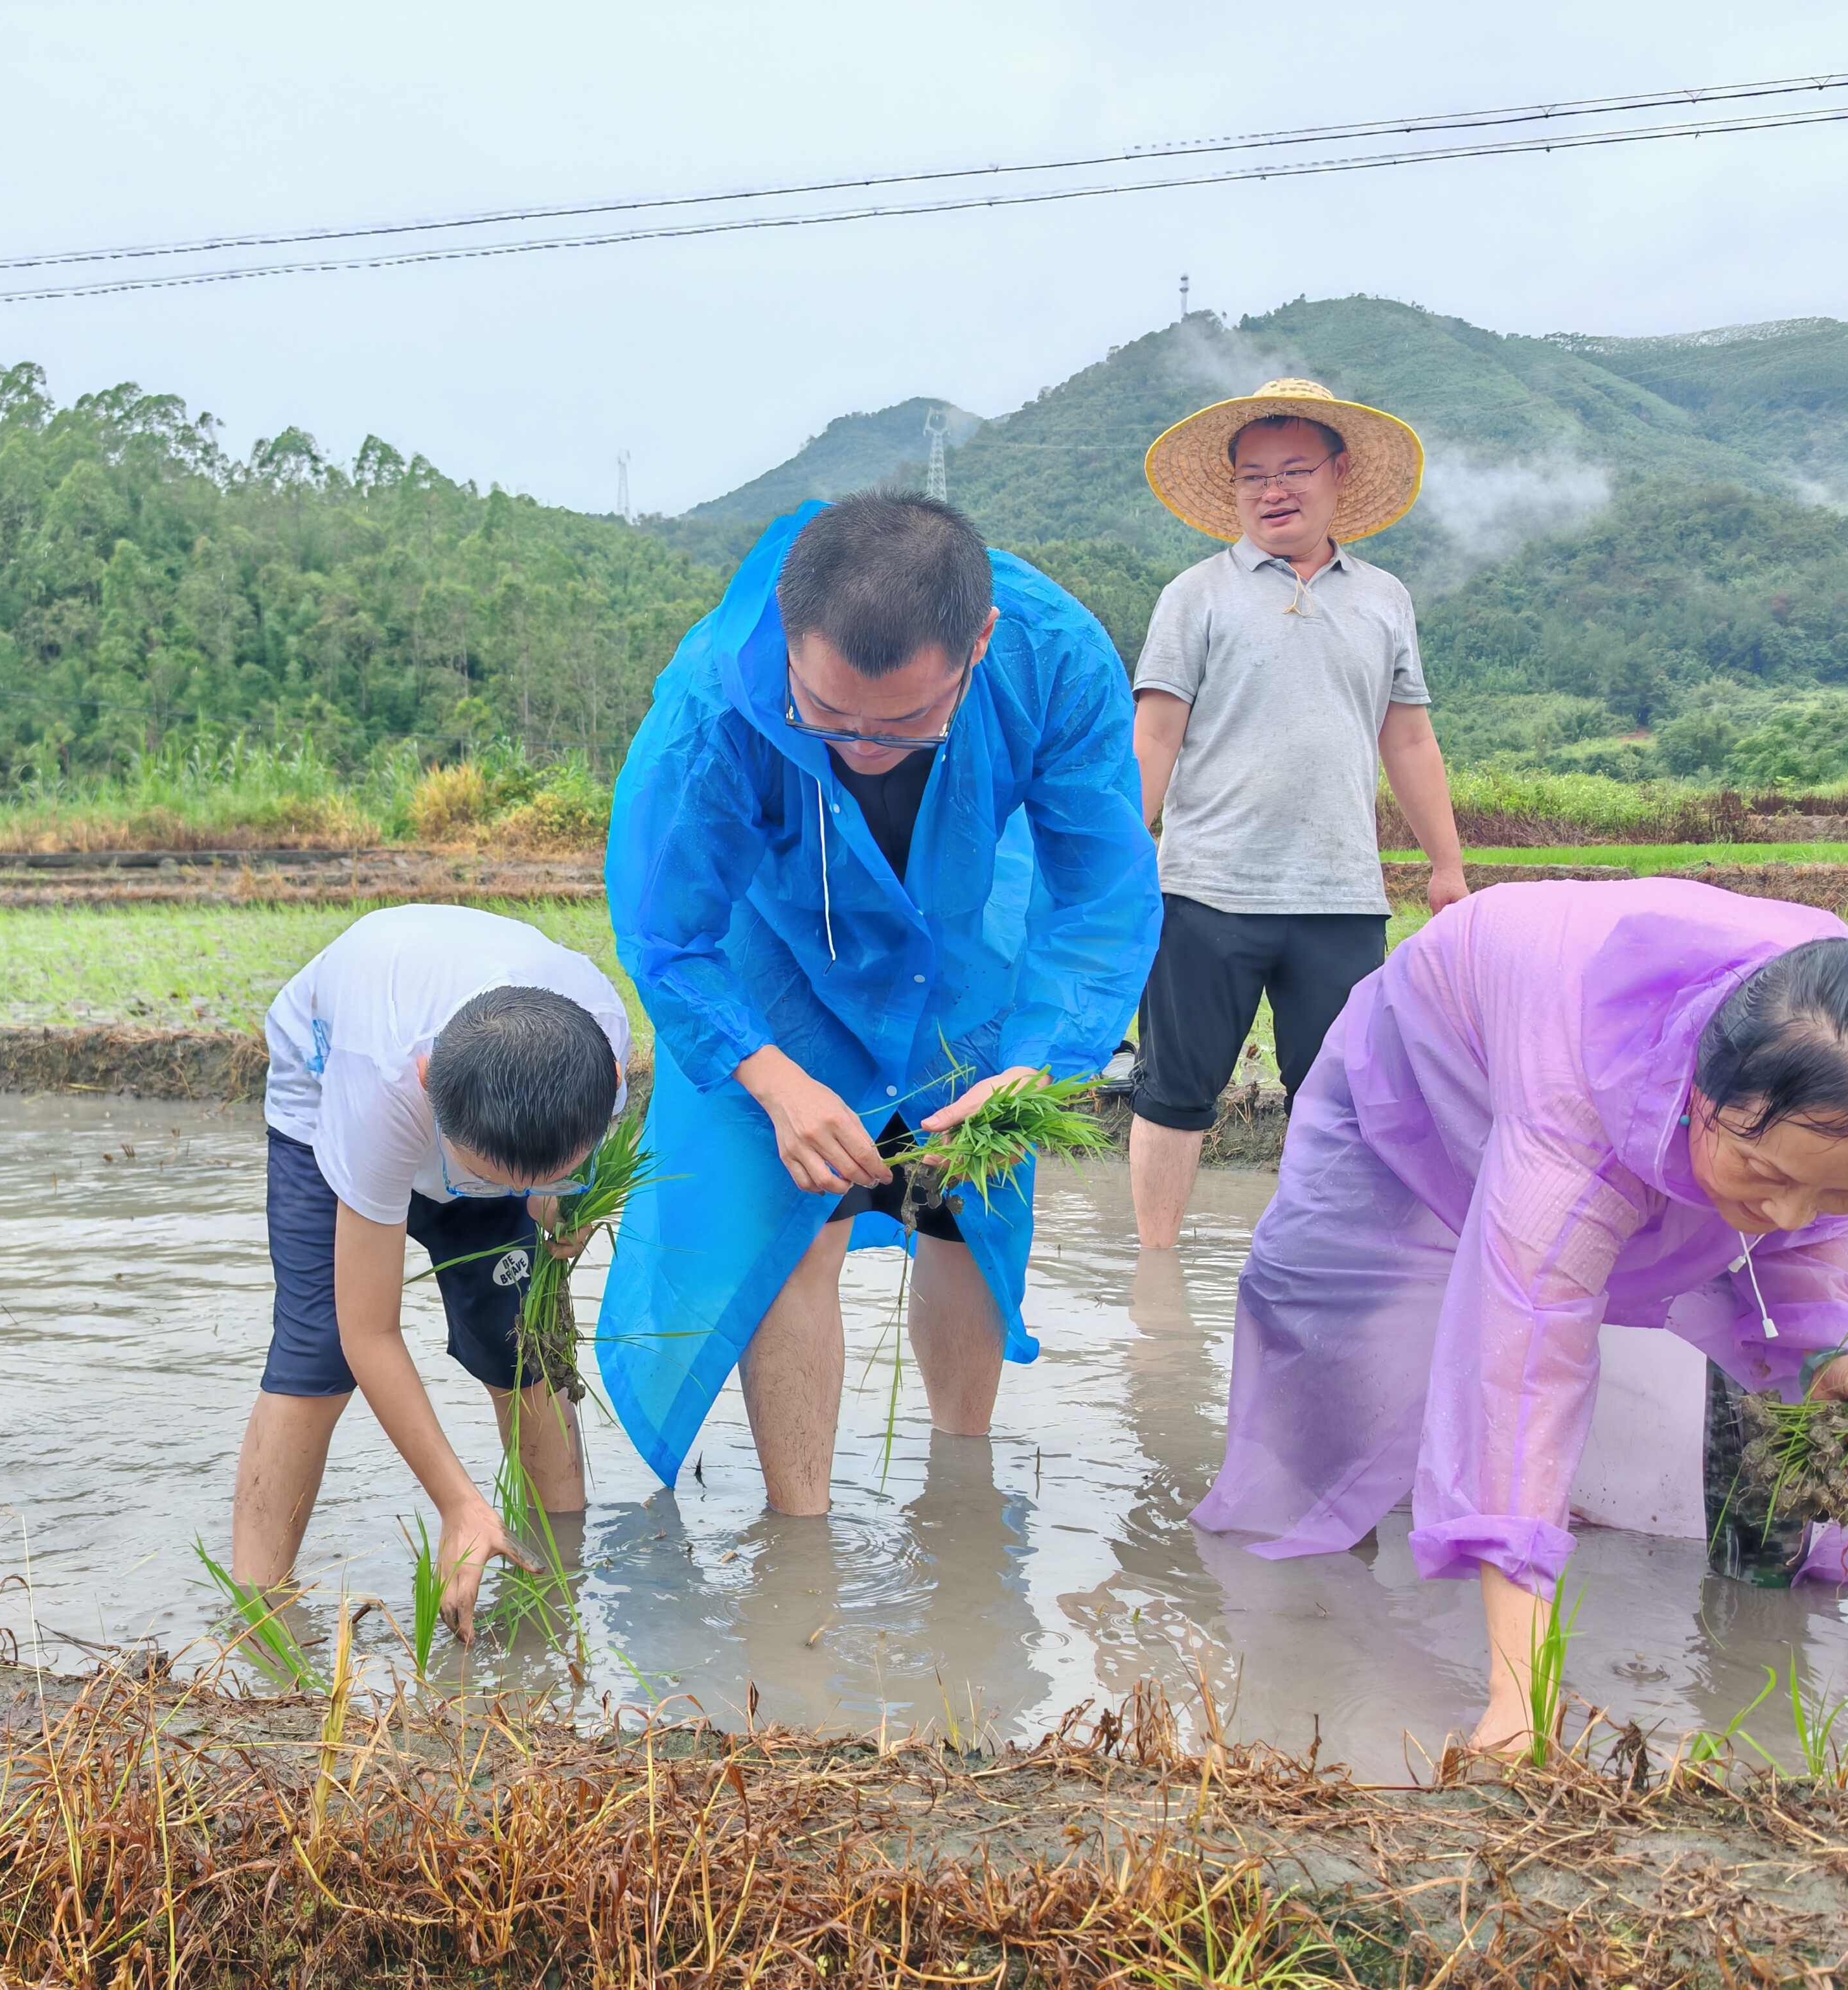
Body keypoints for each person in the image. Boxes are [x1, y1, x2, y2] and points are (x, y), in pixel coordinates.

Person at [1192, 878, 1848, 1753]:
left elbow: (1814, 1240)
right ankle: (1316, 1605)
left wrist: (1837, 1352)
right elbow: (1525, 1369)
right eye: (1766, 1176)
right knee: (1325, 1327)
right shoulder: (1572, 1106)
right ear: (1698, 1093)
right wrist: (1519, 1699)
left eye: (1838, 1188)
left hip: (1670, 1096)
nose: (1789, 1215)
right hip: (1440, 1059)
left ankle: (1740, 1623)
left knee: (1772, 1304)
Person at [597, 494, 1161, 1510]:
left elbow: (1098, 894)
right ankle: (801, 1533)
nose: (861, 745)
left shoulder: (1053, 658)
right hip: (775, 963)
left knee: (964, 1201)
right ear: (789, 636)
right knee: (792, 1214)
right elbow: (665, 932)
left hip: (959, 951)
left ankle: (960, 1497)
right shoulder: (713, 702)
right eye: (826, 714)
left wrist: (1037, 1066)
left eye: (904, 722)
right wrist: (772, 1078)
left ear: (978, 644)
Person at [1129, 378, 1467, 1248]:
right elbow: (1156, 735)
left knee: (1341, 1098)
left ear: (1338, 474)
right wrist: (1123, 856)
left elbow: (1409, 740)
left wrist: (1447, 866)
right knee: (1174, 1092)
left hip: (1341, 897)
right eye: (1252, 476)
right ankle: (1156, 1280)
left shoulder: (1384, 599)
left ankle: (1322, 1267)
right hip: (1206, 890)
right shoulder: (1196, 595)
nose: (1272, 491)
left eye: (1293, 470)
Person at [231, 903, 631, 1639]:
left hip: (483, 1118)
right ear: (425, 1082)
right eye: (486, 1179)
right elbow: (369, 1332)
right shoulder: (380, 1085)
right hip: (324, 1089)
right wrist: (458, 1503)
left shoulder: (600, 1042)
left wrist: (558, 1203)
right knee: (317, 1352)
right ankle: (258, 1625)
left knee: (521, 1346)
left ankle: (558, 1593)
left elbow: (562, 1173)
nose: (504, 1193)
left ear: (611, 1079)